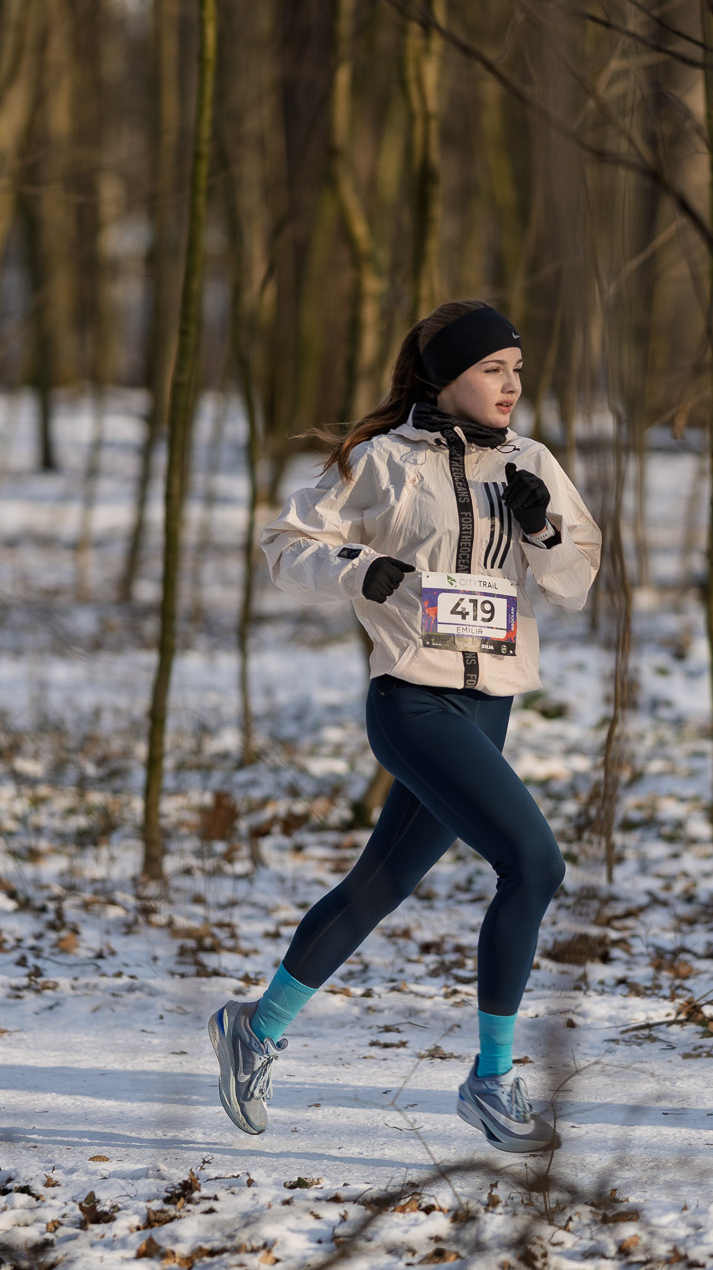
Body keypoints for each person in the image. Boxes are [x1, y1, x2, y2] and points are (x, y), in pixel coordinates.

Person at [208, 299, 600, 1154]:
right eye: (492, 369)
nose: (511, 385)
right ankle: (492, 1079)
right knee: (534, 863)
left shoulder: (532, 462)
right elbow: (283, 544)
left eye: (517, 370)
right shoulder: (381, 461)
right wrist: (360, 568)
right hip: (412, 702)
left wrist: (541, 528)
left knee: (380, 882)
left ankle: (256, 1025)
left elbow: (576, 581)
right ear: (446, 375)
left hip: (489, 705)